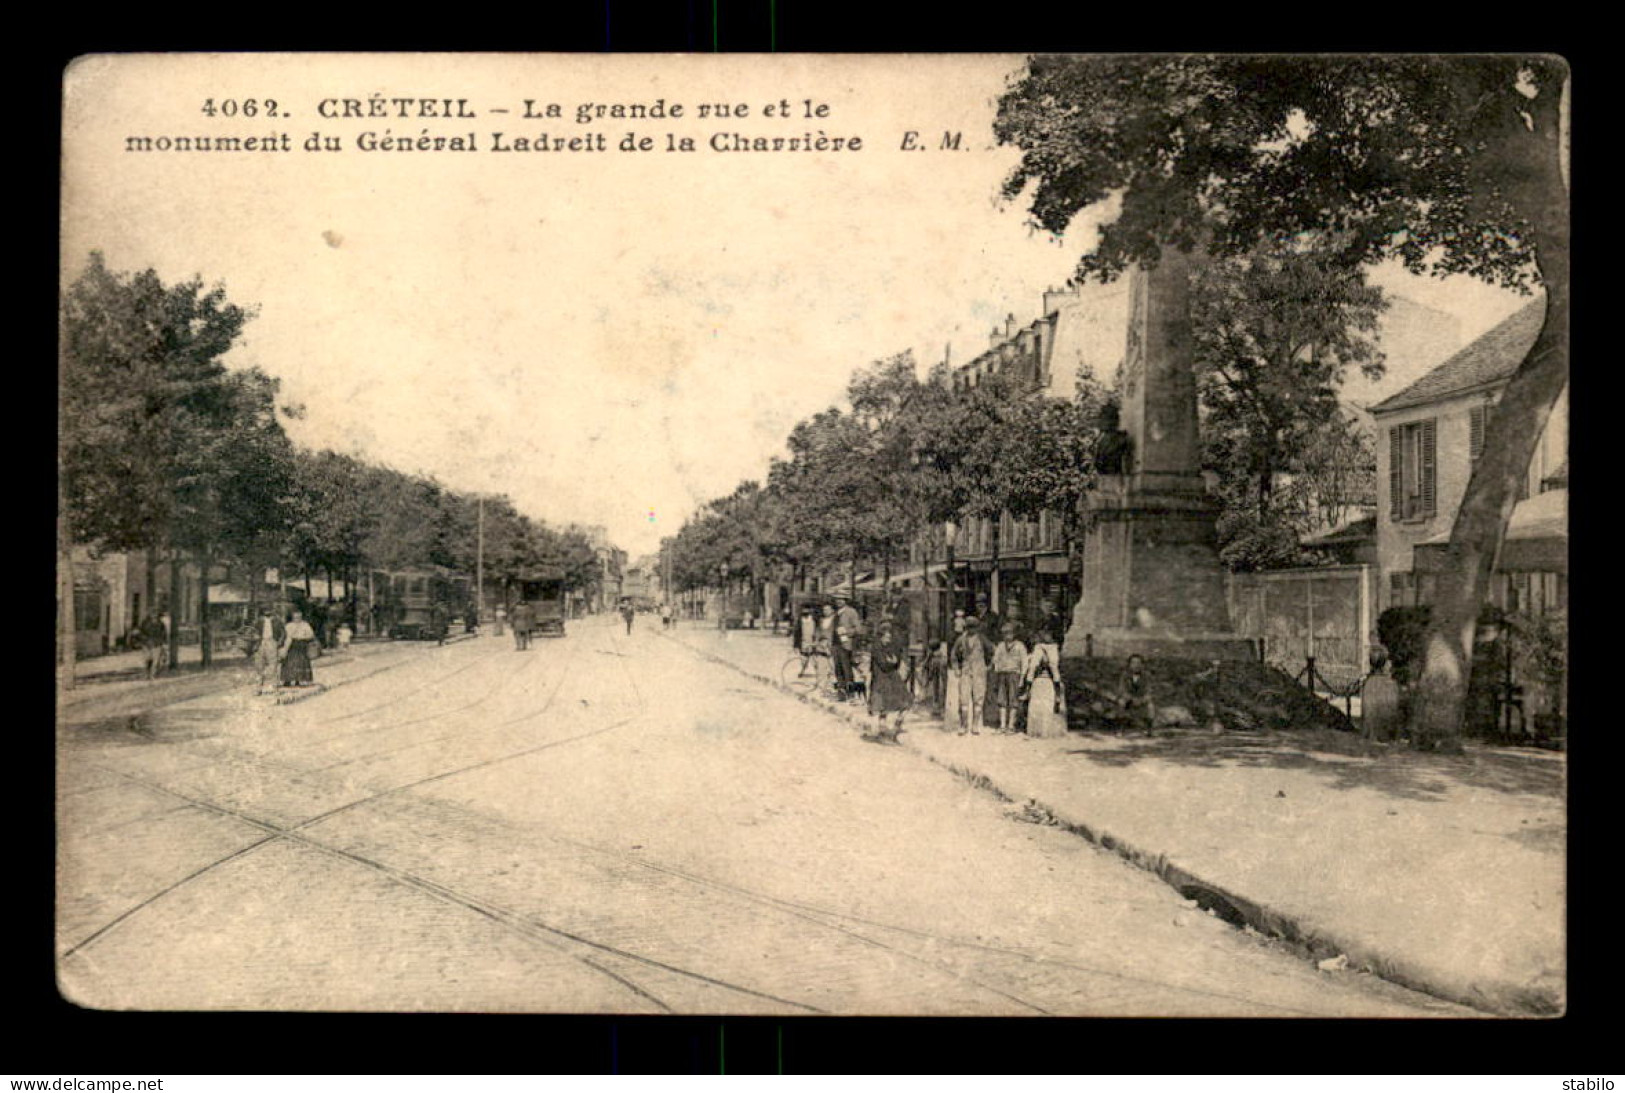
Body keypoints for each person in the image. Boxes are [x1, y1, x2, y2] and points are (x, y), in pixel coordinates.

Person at [866, 619, 912, 742]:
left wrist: (893, 661)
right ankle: (882, 732)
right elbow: (884, 664)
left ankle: (896, 727)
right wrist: (892, 662)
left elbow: (894, 663)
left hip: (891, 678)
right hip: (881, 679)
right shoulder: (876, 648)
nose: (889, 639)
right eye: (886, 637)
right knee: (883, 707)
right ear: (881, 637)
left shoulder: (890, 647)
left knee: (905, 701)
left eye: (890, 637)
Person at [951, 617, 993, 735]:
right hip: (965, 671)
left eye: (973, 627)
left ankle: (975, 725)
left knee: (978, 699)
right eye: (969, 627)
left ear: (977, 627)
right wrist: (956, 668)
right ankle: (964, 725)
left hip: (979, 672)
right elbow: (953, 654)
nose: (971, 630)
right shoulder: (961, 639)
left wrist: (988, 666)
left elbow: (992, 651)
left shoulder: (982, 639)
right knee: (964, 699)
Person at [1023, 626, 1067, 738]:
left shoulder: (1054, 646)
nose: (1045, 635)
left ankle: (1057, 693)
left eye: (1047, 633)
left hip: (1050, 665)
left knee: (1053, 666)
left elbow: (1054, 663)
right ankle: (1027, 689)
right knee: (1033, 665)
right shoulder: (1038, 646)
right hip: (1039, 666)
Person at [990, 623, 1028, 733]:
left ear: (1014, 634)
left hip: (1014, 674)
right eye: (1005, 634)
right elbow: (996, 660)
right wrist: (996, 670)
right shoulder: (1001, 646)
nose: (1007, 636)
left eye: (1010, 633)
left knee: (1013, 700)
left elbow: (1024, 662)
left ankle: (1011, 725)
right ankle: (1002, 725)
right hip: (1002, 674)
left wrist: (1022, 678)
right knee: (1001, 700)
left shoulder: (1020, 646)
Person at [1361, 645, 1402, 743]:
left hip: (1371, 733)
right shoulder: (1392, 684)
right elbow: (1394, 710)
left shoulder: (1368, 683)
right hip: (1386, 733)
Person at [250, 605, 286, 695]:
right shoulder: (258, 621)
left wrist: (279, 642)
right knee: (259, 666)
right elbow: (252, 632)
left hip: (272, 642)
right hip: (260, 643)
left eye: (269, 610)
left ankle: (275, 688)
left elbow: (283, 633)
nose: (267, 612)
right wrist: (255, 639)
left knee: (273, 666)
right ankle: (258, 689)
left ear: (272, 610)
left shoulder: (277, 621)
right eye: (265, 610)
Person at [833, 595, 864, 701]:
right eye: (837, 599)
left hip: (846, 645)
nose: (839, 601)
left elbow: (858, 629)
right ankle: (841, 694)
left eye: (841, 599)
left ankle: (851, 694)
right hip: (836, 644)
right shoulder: (836, 613)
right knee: (838, 670)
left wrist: (846, 632)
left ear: (846, 600)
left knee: (847, 670)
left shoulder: (851, 612)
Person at [1117, 654, 1154, 732]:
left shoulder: (1147, 675)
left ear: (1142, 665)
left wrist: (1142, 699)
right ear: (1129, 665)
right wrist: (1131, 699)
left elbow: (1149, 690)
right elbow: (1122, 689)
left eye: (1138, 663)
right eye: (1133, 663)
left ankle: (1149, 730)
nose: (1136, 665)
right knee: (1121, 702)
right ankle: (1120, 728)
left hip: (1141, 699)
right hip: (1129, 699)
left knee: (1150, 706)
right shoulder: (1125, 675)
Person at [280, 609, 317, 688]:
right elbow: (285, 636)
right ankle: (288, 680)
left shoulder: (305, 625)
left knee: (301, 662)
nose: (297, 619)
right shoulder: (289, 625)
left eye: (299, 617)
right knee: (289, 662)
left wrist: (304, 637)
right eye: (295, 617)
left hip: (301, 645)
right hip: (291, 645)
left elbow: (311, 635)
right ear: (292, 617)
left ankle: (299, 680)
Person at [138, 613, 168, 679]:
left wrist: (163, 643)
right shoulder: (145, 623)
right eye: (153, 615)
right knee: (147, 659)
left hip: (156, 644)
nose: (154, 618)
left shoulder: (161, 624)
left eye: (156, 616)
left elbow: (163, 634)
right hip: (146, 644)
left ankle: (152, 674)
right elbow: (141, 633)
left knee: (155, 660)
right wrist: (145, 639)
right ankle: (146, 674)